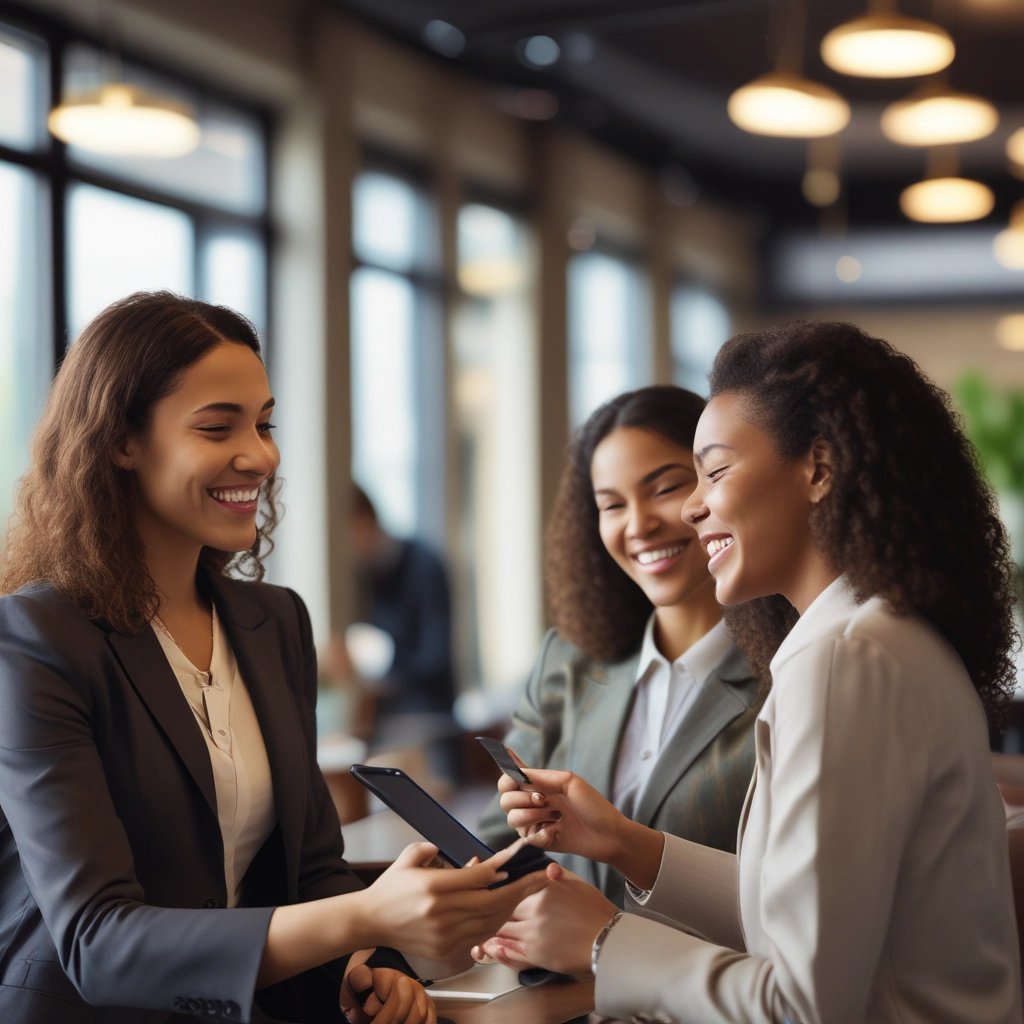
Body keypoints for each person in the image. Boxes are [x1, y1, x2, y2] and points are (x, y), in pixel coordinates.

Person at [0, 291, 544, 1024]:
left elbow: (311, 867)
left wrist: (356, 967)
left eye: (264, 423)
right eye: (218, 426)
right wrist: (365, 921)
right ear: (121, 442)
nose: (259, 454)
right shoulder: (37, 639)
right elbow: (99, 942)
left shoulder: (273, 622)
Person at [480, 320, 1023, 1023]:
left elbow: (800, 1004)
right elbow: (799, 912)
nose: (695, 505)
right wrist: (621, 841)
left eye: (714, 470)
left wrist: (605, 940)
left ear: (818, 469)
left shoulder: (846, 661)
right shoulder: (869, 637)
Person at [476, 385, 763, 904]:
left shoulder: (792, 668)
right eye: (612, 505)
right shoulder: (566, 660)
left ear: (714, 488)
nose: (639, 525)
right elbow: (503, 842)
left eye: (664, 489)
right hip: (563, 981)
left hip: (717, 978)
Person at [349, 486, 460, 784]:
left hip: (425, 721)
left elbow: (434, 658)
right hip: (388, 725)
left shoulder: (423, 565)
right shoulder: (365, 576)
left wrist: (375, 680)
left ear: (363, 520)